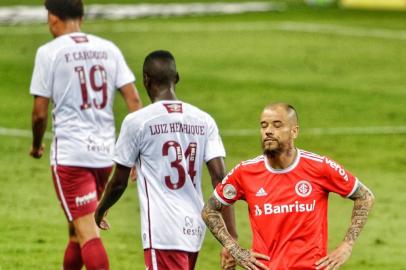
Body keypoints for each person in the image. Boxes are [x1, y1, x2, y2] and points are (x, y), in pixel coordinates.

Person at [95, 50, 237, 270]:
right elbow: (221, 179)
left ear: (145, 80)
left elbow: (119, 182)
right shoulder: (203, 120)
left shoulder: (138, 122)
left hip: (163, 231)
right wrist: (231, 237)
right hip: (194, 229)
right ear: (176, 78)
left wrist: (100, 208)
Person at [29, 0, 142, 269]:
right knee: (76, 232)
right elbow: (134, 101)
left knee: (87, 232)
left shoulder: (49, 52)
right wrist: (135, 153)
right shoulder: (108, 49)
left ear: (53, 18)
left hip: (72, 157)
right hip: (105, 157)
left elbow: (40, 114)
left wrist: (36, 146)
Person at [202, 103, 375, 270]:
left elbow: (365, 196)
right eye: (264, 126)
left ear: (294, 131)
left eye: (277, 125)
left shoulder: (319, 167)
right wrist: (235, 249)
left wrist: (347, 245)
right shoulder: (245, 172)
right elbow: (209, 211)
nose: (268, 131)